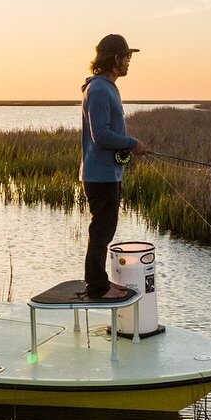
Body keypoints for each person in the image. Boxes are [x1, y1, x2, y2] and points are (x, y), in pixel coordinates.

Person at [80, 33, 148, 299]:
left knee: (104, 229)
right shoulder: (98, 89)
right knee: (102, 230)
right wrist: (132, 143)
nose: (129, 62)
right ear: (115, 58)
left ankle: (101, 282)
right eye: (127, 57)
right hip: (100, 176)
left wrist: (128, 148)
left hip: (107, 173)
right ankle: (97, 286)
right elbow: (101, 135)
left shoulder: (106, 87)